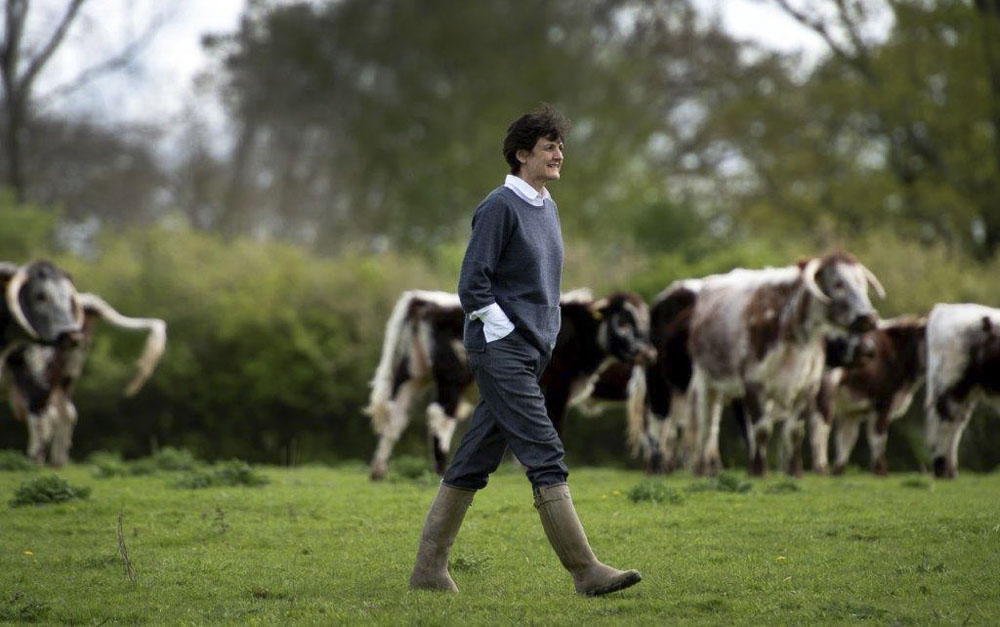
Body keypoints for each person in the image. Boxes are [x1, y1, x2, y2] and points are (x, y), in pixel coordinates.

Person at [409, 105, 642, 597]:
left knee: (474, 458)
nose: (559, 154)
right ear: (521, 154)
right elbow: (473, 282)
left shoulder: (546, 206)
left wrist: (545, 333)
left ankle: (428, 570)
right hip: (503, 351)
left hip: (533, 350)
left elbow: (542, 285)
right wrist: (503, 332)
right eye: (548, 146)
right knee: (545, 452)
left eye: (560, 145)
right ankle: (585, 571)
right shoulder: (499, 206)